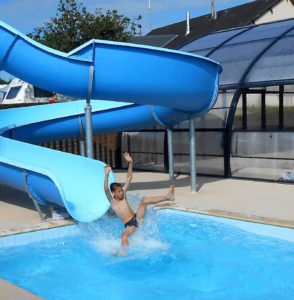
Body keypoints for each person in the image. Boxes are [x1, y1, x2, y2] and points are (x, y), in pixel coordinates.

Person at [104, 152, 175, 254]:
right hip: (130, 224)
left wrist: (130, 162)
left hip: (137, 217)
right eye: (119, 191)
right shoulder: (112, 201)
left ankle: (168, 196)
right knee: (123, 236)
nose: (121, 192)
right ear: (113, 193)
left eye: (121, 190)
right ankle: (124, 252)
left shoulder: (123, 195)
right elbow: (106, 189)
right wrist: (106, 175)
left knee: (144, 200)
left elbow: (129, 178)